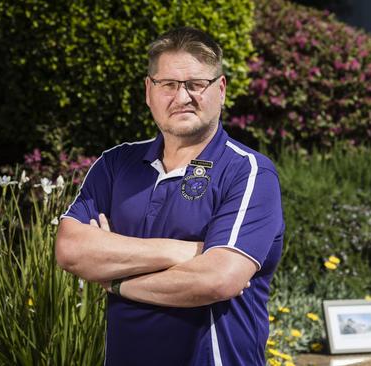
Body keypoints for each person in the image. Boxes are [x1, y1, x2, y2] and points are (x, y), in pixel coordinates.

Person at [55, 26, 285, 366]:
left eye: (196, 84)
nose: (182, 97)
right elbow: (71, 249)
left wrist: (116, 282)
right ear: (149, 91)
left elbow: (217, 279)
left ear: (220, 90)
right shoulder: (116, 164)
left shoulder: (249, 172)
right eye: (169, 85)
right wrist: (185, 251)